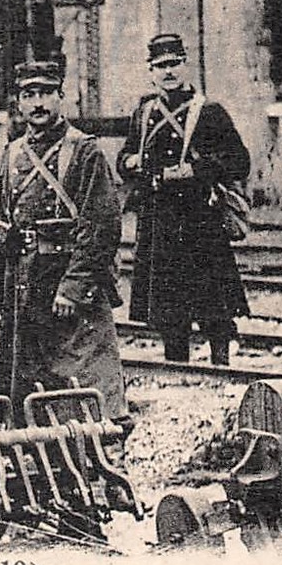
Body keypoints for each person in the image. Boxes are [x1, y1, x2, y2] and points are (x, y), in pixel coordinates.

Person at [0, 61, 127, 423]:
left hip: (70, 291)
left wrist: (74, 288)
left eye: (46, 93)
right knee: (27, 387)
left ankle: (102, 456)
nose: (38, 103)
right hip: (24, 285)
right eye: (29, 95)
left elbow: (101, 227)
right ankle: (39, 457)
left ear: (61, 97)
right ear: (19, 102)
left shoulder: (84, 152)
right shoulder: (10, 156)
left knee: (88, 383)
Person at [116, 33, 251, 366]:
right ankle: (178, 366)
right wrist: (131, 163)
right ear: (150, 70)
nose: (168, 72)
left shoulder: (208, 111)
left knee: (213, 304)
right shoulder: (144, 111)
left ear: (185, 65)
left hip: (199, 220)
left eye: (174, 64)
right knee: (167, 308)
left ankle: (221, 366)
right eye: (161, 66)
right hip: (159, 220)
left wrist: (194, 170)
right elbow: (124, 158)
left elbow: (239, 161)